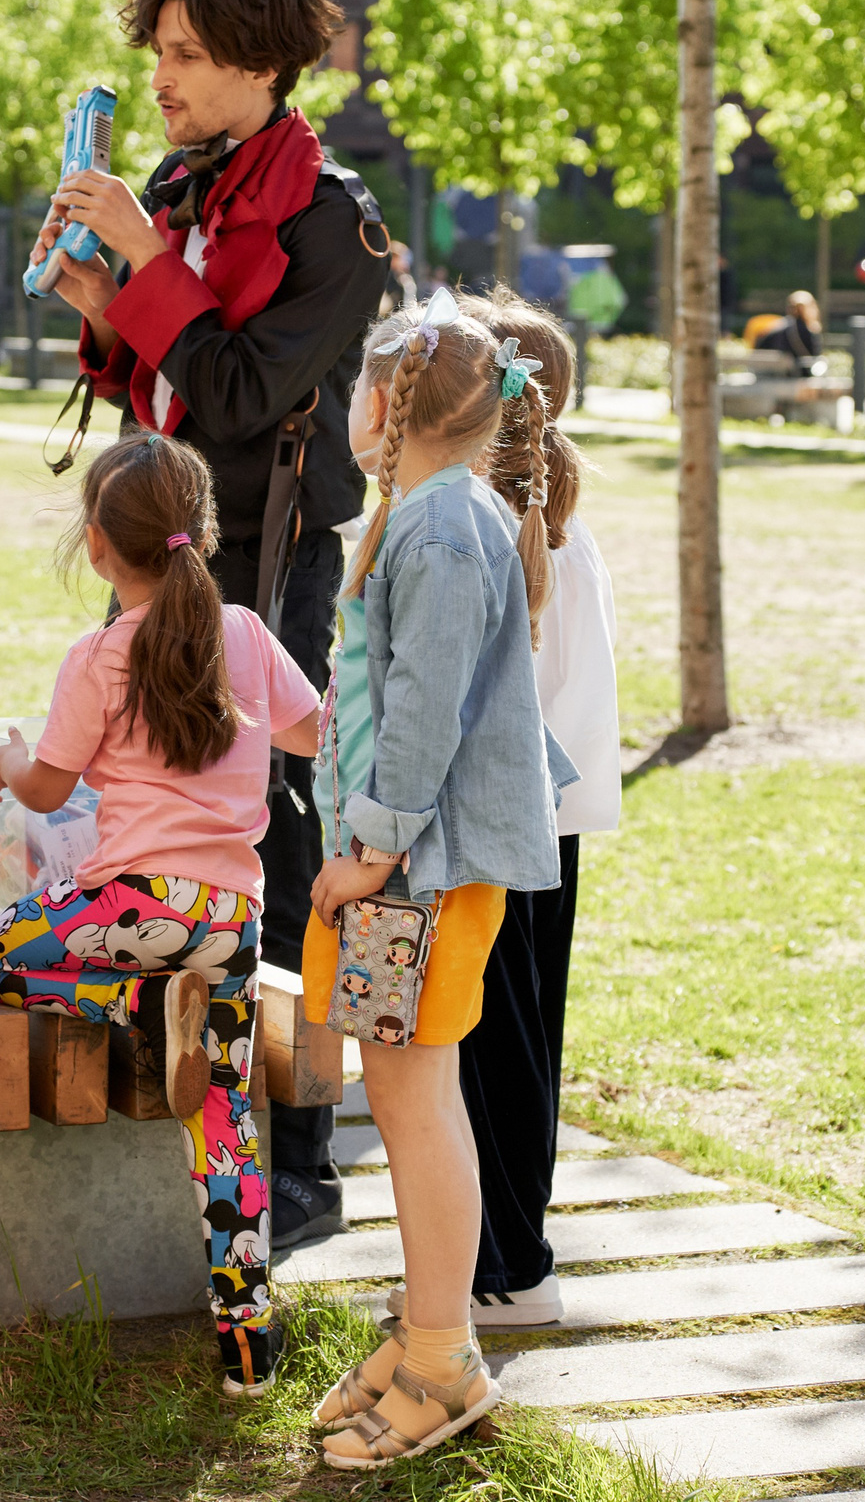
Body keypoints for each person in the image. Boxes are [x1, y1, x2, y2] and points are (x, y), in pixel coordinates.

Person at [34, 0, 389, 1247]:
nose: (163, 78)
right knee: (141, 809)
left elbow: (240, 394)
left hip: (267, 563)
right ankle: (177, 1107)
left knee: (274, 838)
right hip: (168, 556)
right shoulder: (182, 188)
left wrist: (146, 260)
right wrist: (102, 296)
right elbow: (166, 381)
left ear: (259, 62)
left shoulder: (329, 220)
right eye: (159, 51)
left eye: (186, 54)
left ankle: (299, 1159)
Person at [0, 432, 322, 1398]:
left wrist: (9, 761)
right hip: (231, 921)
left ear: (96, 546)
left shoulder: (98, 655)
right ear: (200, 530)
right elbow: (311, 732)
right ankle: (248, 1347)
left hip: (136, 908)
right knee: (225, 1119)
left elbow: (47, 790)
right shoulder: (244, 633)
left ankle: (138, 1006)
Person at [301, 291, 568, 1470]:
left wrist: (370, 848)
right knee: (408, 1099)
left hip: (413, 872)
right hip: (401, 869)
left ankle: (444, 1358)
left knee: (415, 1108)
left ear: (387, 403)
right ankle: (426, 1334)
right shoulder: (428, 514)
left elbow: (422, 712)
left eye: (355, 387)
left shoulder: (443, 530)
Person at [432, 291, 620, 1329]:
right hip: (557, 813)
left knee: (490, 1043)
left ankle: (504, 1265)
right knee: (525, 1038)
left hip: (501, 817)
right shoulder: (561, 525)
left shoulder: (490, 530)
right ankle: (510, 1255)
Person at [770, 290, 826, 374]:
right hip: (797, 376)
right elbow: (814, 357)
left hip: (773, 375)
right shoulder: (808, 331)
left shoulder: (777, 327)